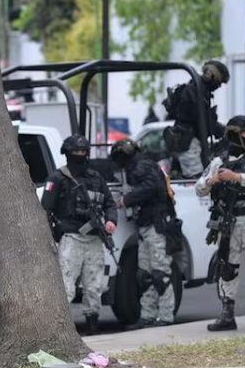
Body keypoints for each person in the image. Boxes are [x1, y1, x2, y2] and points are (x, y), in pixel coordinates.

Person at [194, 115, 245, 331]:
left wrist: (237, 177)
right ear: (234, 134)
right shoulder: (218, 161)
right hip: (228, 222)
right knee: (227, 269)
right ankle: (227, 315)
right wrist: (212, 180)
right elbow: (199, 188)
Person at [41, 135, 117, 336]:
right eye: (77, 152)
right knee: (66, 285)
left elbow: (109, 202)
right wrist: (51, 237)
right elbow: (45, 209)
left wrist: (111, 220)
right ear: (67, 154)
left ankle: (92, 323)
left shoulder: (95, 177)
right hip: (70, 238)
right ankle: (61, 328)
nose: (81, 155)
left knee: (94, 285)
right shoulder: (57, 178)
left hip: (93, 238)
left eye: (84, 151)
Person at [110, 138, 176, 329]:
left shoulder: (143, 166)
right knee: (144, 275)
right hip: (146, 225)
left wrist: (127, 199)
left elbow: (152, 187)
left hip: (157, 225)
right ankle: (147, 316)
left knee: (160, 273)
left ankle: (165, 316)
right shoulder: (139, 166)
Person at [162, 60, 229, 178]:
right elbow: (201, 120)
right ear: (210, 76)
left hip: (188, 141)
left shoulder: (200, 91)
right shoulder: (195, 91)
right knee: (197, 181)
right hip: (188, 144)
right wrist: (220, 129)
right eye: (219, 82)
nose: (219, 86)